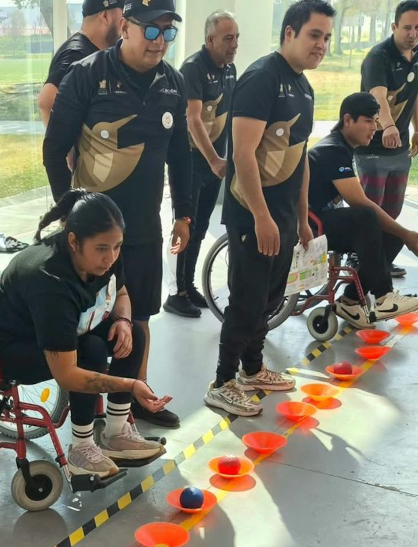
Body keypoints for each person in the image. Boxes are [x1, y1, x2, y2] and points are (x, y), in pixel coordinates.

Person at [43, 0, 193, 429]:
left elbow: (181, 155)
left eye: (168, 32)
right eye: (151, 30)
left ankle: (132, 403)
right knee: (91, 324)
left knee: (139, 316)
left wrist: (184, 214)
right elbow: (54, 149)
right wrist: (69, 213)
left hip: (143, 227)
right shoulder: (87, 74)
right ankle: (86, 413)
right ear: (125, 27)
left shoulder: (173, 82)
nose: (160, 41)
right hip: (93, 233)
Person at [0, 191, 169, 477]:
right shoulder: (49, 279)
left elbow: (121, 292)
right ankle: (81, 448)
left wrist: (123, 321)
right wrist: (130, 385)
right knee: (90, 350)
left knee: (133, 336)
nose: (111, 257)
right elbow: (67, 376)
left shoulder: (105, 256)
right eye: (102, 248)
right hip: (7, 347)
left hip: (60, 326)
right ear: (73, 242)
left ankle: (116, 434)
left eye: (117, 246)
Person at [205, 0, 333, 419]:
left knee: (269, 300)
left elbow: (300, 159)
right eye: (314, 35)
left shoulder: (304, 87)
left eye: (327, 38)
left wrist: (302, 217)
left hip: (283, 217)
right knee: (247, 301)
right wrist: (261, 216)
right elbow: (242, 154)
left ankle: (253, 369)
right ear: (289, 33)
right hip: (251, 214)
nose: (321, 45)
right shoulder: (262, 78)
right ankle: (222, 383)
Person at [307, 92, 418, 328]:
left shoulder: (342, 147)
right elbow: (359, 202)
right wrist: (407, 233)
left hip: (324, 220)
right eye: (368, 121)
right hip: (309, 225)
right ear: (348, 120)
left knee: (391, 234)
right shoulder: (332, 150)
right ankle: (384, 296)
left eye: (376, 121)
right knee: (366, 216)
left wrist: (402, 234)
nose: (375, 128)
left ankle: (350, 301)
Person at [165, 10, 239, 319]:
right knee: (185, 225)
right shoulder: (193, 68)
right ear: (210, 40)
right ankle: (175, 293)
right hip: (193, 163)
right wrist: (214, 160)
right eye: (227, 38)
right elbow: (193, 119)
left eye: (236, 38)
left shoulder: (230, 70)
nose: (234, 45)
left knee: (200, 227)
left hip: (215, 164)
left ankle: (188, 285)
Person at [358, 0, 418, 277]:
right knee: (370, 212)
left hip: (399, 147)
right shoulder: (378, 57)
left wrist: (417, 130)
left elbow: (414, 93)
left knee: (392, 211)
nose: (412, 33)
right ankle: (361, 263)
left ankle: (382, 262)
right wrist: (387, 126)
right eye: (407, 28)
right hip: (373, 146)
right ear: (394, 26)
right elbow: (378, 96)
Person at [38, 0, 124, 126]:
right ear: (105, 16)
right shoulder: (76, 53)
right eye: (123, 15)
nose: (125, 23)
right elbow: (46, 100)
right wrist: (65, 138)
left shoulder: (90, 50)